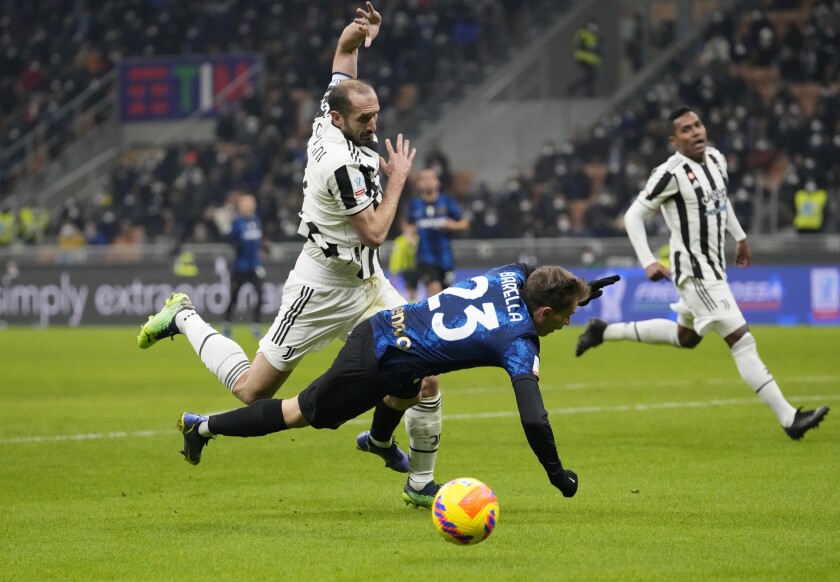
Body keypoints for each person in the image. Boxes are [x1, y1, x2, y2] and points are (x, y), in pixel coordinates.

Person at [137, 2, 443, 503]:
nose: (374, 125)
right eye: (365, 119)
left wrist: (357, 36)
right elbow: (373, 232)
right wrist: (398, 182)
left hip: (369, 286)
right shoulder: (338, 163)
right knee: (252, 390)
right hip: (321, 286)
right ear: (339, 118)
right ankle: (184, 316)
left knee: (423, 372)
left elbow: (342, 59)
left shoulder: (332, 113)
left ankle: (419, 483)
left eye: (377, 115)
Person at [174, 264, 621, 506]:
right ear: (543, 314)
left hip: (388, 329)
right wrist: (556, 475)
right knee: (298, 413)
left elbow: (537, 275)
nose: (565, 324)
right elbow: (533, 418)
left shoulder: (512, 275)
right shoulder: (519, 342)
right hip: (373, 360)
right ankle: (203, 427)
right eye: (566, 317)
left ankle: (380, 442)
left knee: (415, 386)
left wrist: (580, 291)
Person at [575, 106, 829, 440]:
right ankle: (789, 418)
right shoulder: (670, 173)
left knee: (686, 337)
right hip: (695, 272)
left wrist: (740, 237)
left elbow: (722, 204)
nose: (695, 131)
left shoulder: (717, 160)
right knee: (741, 339)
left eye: (698, 125)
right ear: (674, 139)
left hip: (714, 266)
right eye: (685, 129)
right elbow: (634, 215)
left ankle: (602, 331)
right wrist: (647, 260)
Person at [407, 168, 470, 297]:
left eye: (431, 178)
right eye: (424, 178)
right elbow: (408, 225)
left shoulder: (447, 201)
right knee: (434, 289)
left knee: (445, 295)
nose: (428, 182)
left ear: (438, 182)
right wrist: (409, 235)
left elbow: (464, 223)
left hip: (445, 257)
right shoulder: (414, 205)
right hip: (425, 257)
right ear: (419, 184)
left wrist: (453, 225)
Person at [221, 193, 264, 339]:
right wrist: (236, 245)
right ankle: (226, 324)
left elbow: (257, 242)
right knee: (234, 297)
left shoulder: (257, 221)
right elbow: (229, 239)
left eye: (252, 204)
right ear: (241, 207)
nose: (250, 207)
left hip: (254, 266)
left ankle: (256, 326)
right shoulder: (238, 223)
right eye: (247, 205)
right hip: (240, 267)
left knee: (260, 294)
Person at [568, 19, 602, 97]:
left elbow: (594, 46)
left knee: (591, 76)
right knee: (590, 76)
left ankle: (586, 91)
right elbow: (581, 45)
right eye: (593, 25)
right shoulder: (583, 32)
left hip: (590, 59)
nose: (595, 28)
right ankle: (577, 88)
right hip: (582, 58)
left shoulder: (592, 34)